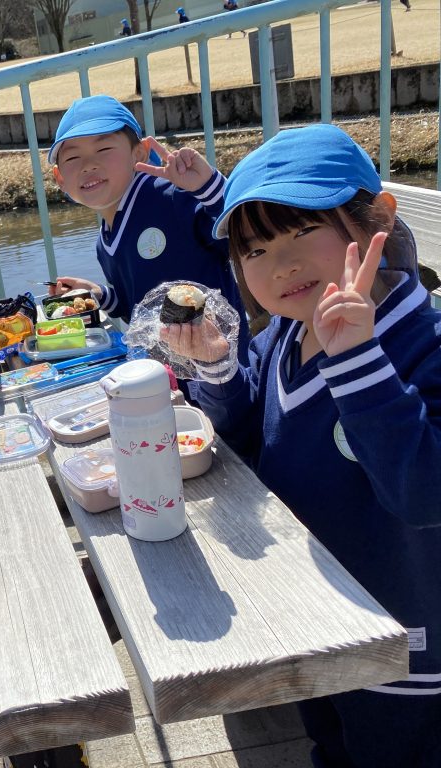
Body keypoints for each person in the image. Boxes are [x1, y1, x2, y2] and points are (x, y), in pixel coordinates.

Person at [161, 124, 441, 767]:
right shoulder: (286, 333)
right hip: (320, 615)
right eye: (255, 250)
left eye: (302, 231)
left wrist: (358, 360)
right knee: (329, 740)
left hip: (403, 645)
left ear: (377, 219)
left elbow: (423, 492)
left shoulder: (421, 345)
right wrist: (219, 369)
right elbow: (247, 431)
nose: (280, 265)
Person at [46, 95, 250, 362]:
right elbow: (137, 308)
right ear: (60, 178)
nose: (89, 165)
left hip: (223, 370)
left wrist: (207, 187)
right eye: (73, 157)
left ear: (139, 153)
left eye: (104, 149)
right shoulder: (104, 240)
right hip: (165, 375)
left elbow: (242, 235)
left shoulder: (173, 196)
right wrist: (99, 295)